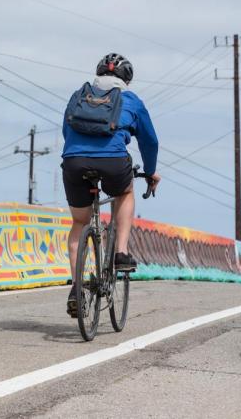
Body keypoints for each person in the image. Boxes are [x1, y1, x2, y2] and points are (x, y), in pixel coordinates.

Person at [62, 53, 161, 317]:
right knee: (125, 192)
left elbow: (66, 130)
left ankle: (76, 288)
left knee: (79, 223)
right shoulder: (132, 100)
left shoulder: (78, 94)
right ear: (126, 78)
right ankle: (121, 252)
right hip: (114, 161)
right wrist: (150, 173)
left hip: (73, 160)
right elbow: (150, 141)